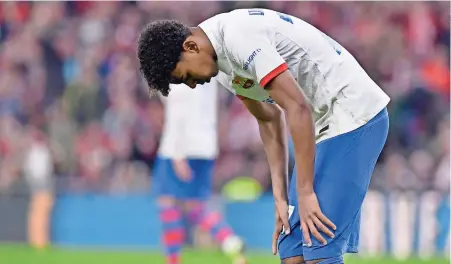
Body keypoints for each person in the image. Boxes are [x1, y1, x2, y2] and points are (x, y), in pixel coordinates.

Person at [137, 8, 390, 264]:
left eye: (186, 76)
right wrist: (280, 198)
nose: (192, 84)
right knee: (292, 252)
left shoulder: (238, 37)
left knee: (318, 246)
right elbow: (268, 118)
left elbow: (297, 107)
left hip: (353, 114)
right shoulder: (222, 64)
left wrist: (304, 192)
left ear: (190, 47)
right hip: (324, 125)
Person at [152, 79, 246, 264]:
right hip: (205, 146)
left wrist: (178, 154)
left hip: (178, 147)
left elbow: (178, 111)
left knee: (167, 202)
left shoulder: (177, 70)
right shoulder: (206, 70)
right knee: (195, 206)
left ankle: (172, 260)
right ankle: (230, 242)